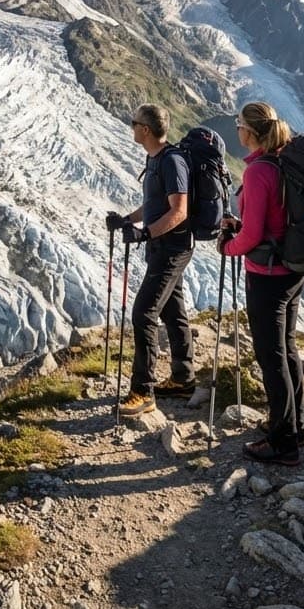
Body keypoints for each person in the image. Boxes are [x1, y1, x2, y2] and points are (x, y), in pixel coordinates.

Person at [219, 101, 304, 466]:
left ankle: (283, 443)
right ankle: (294, 426)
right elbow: (272, 222)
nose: (236, 130)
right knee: (286, 349)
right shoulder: (286, 160)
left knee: (271, 358)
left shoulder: (257, 173)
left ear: (249, 132)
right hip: (293, 269)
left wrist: (228, 246)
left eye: (239, 124)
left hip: (267, 275)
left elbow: (252, 235)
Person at [106, 103, 196, 417]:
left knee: (143, 313)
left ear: (145, 129)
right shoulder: (156, 158)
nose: (131, 127)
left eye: (134, 123)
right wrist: (127, 220)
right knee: (173, 311)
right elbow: (155, 204)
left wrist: (146, 234)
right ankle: (184, 378)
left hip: (172, 248)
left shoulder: (171, 161)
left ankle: (142, 391)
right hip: (163, 246)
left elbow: (179, 211)